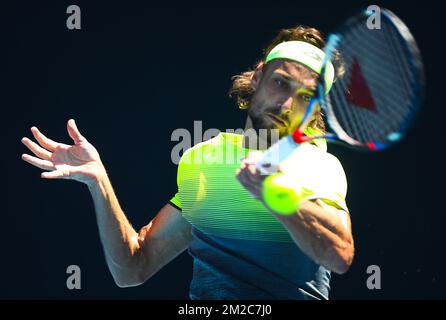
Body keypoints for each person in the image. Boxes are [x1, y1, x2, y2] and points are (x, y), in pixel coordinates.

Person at [21, 26, 354, 300]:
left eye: (306, 97)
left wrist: (275, 193)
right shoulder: (203, 159)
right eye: (281, 82)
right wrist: (99, 181)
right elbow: (134, 268)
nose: (286, 103)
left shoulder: (318, 166)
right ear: (258, 77)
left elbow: (338, 255)